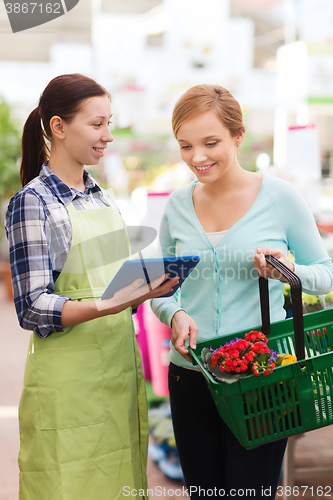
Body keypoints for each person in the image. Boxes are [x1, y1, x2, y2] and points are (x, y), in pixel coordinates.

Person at [151, 84, 333, 499]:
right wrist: (173, 314)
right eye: (185, 146)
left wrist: (286, 271)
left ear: (238, 136)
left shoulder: (279, 198)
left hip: (261, 376)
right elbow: (162, 287)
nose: (197, 157)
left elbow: (326, 273)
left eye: (210, 142)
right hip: (191, 373)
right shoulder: (178, 206)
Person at [5, 73, 179, 500]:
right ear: (59, 127)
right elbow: (32, 307)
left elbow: (112, 278)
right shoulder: (33, 202)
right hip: (68, 382)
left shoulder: (102, 197)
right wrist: (111, 303)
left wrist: (150, 284)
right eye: (97, 124)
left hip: (117, 371)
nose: (108, 136)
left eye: (110, 123)